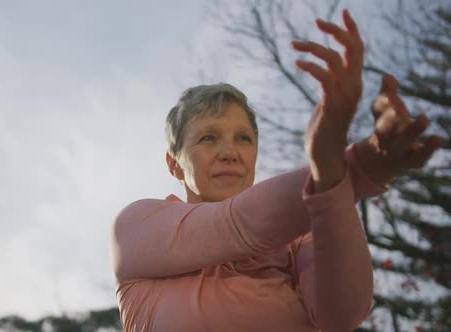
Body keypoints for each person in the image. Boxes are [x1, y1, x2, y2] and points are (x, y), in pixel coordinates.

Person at [110, 9, 441, 332]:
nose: (230, 152)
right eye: (208, 138)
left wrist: (333, 175)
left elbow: (343, 316)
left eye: (243, 138)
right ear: (174, 163)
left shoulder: (301, 236)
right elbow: (239, 224)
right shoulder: (137, 226)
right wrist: (351, 165)